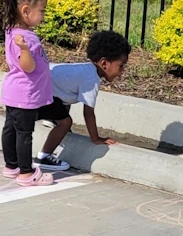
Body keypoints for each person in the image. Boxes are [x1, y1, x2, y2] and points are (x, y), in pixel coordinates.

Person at [35, 30, 132, 171]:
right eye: (121, 66)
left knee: (62, 104)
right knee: (65, 122)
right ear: (104, 63)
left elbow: (64, 91)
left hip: (41, 84)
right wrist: (96, 139)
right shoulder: (92, 80)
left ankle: (51, 120)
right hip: (40, 90)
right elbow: (88, 113)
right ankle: (44, 156)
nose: (122, 71)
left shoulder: (86, 69)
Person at [0, 0, 56, 186]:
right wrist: (25, 50)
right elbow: (28, 67)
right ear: (25, 10)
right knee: (24, 134)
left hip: (13, 92)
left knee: (10, 129)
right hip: (25, 95)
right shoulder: (27, 39)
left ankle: (11, 165)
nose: (43, 16)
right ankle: (26, 172)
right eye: (41, 11)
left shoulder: (11, 30)